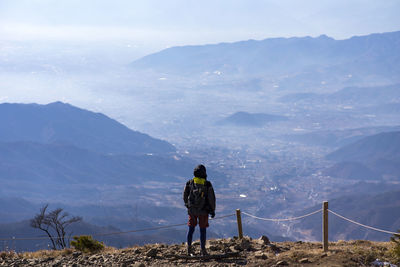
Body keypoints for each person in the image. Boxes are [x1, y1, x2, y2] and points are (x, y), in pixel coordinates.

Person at [183, 164, 216, 256]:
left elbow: (185, 196)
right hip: (203, 211)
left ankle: (189, 249)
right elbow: (211, 199)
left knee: (191, 229)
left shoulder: (190, 183)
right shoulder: (207, 184)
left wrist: (188, 205)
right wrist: (212, 210)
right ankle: (203, 250)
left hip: (192, 211)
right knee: (202, 230)